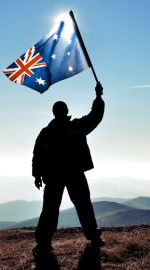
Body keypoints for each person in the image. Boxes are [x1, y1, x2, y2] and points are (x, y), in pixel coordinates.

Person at [32, 82, 105, 257]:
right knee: (77, 206)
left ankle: (44, 243)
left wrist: (98, 97)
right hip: (69, 174)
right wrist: (98, 97)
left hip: (59, 175)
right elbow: (94, 117)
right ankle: (92, 236)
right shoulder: (70, 128)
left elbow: (37, 155)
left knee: (57, 208)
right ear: (64, 112)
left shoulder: (49, 132)